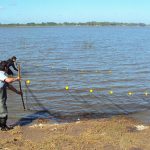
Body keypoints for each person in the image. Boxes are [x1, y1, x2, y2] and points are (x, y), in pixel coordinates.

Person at [0, 61, 21, 131]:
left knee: (2, 110)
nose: (8, 68)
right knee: (3, 111)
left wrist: (18, 92)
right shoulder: (1, 74)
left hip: (2, 96)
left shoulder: (3, 75)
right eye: (7, 67)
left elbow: (9, 86)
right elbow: (8, 80)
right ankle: (3, 127)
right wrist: (16, 78)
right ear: (5, 67)